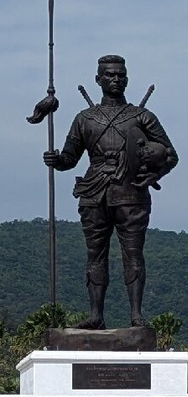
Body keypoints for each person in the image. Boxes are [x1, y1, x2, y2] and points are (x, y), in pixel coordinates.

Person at [43, 55, 178, 329]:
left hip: (132, 192)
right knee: (95, 254)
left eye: (120, 75)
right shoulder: (85, 119)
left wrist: (154, 174)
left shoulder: (141, 117)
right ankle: (96, 316)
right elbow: (70, 158)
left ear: (126, 78)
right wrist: (57, 160)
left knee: (133, 253)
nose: (115, 79)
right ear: (98, 79)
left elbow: (170, 155)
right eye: (110, 75)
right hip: (94, 191)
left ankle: (136, 315)